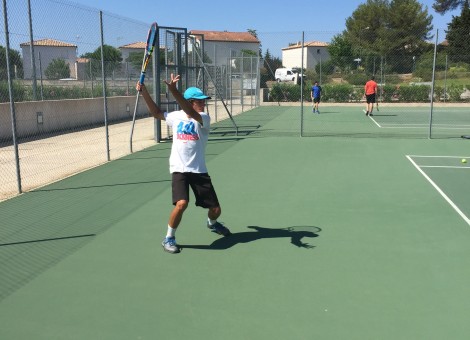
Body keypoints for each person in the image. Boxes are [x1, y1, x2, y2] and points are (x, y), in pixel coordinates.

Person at [136, 74, 231, 254]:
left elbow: (191, 113)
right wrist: (144, 92)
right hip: (179, 168)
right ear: (190, 101)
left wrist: (173, 90)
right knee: (182, 203)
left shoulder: (203, 118)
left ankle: (212, 223)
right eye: (199, 101)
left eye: (204, 101)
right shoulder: (175, 117)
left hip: (198, 170)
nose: (203, 104)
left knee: (216, 209)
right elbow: (156, 113)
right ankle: (169, 238)